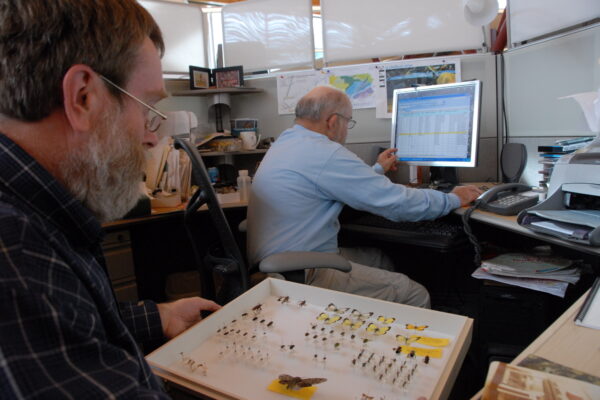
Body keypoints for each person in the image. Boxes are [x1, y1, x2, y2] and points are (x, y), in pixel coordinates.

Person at [0, 1, 220, 398]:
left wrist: (156, 316)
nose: (152, 136)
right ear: (83, 97)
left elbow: (61, 324)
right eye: (148, 107)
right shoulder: (12, 249)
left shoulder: (33, 216)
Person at [247, 86, 482, 308]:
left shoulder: (288, 142)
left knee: (380, 258)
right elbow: (398, 203)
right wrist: (453, 198)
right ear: (333, 121)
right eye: (348, 122)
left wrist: (377, 170)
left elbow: (330, 182)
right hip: (304, 270)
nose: (347, 129)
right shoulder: (324, 152)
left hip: (280, 260)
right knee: (414, 294)